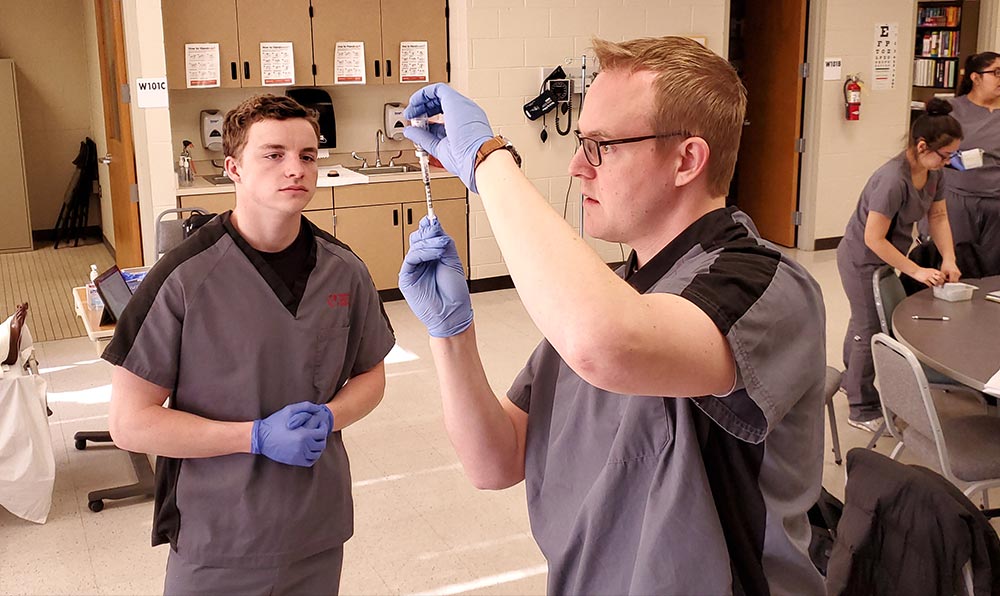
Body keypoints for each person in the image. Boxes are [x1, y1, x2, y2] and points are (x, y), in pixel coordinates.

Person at [399, 36, 827, 594]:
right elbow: (495, 460)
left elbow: (609, 346)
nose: (578, 166)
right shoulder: (614, 293)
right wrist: (450, 336)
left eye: (602, 145)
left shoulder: (763, 285)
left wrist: (489, 159)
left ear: (686, 160)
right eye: (581, 142)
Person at [103, 94, 395, 595]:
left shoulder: (343, 269)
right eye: (274, 154)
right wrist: (254, 437)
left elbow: (372, 375)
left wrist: (332, 416)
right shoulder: (183, 278)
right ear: (234, 168)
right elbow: (129, 423)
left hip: (315, 528)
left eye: (308, 156)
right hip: (218, 535)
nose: (295, 169)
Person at [837, 98, 963, 431]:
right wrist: (916, 270)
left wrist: (948, 257)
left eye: (953, 155)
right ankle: (860, 407)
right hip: (861, 259)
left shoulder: (934, 174)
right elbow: (873, 239)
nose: (949, 162)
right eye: (945, 154)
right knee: (870, 327)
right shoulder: (892, 180)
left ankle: (852, 381)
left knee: (863, 320)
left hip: (887, 257)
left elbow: (937, 215)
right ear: (922, 146)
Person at [938, 51, 1000, 273]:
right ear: (975, 77)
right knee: (960, 263)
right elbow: (934, 153)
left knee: (994, 269)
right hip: (959, 200)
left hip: (996, 202)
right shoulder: (952, 111)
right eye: (996, 72)